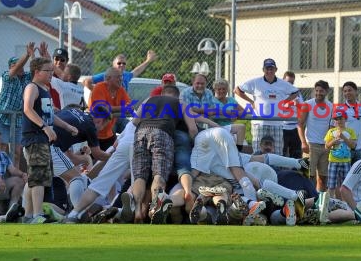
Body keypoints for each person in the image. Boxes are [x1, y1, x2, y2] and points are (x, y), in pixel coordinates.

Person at [21, 57, 78, 224]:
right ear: (37, 72)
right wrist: (44, 127)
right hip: (35, 138)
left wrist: (67, 127)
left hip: (43, 141)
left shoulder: (45, 90)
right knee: (38, 177)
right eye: (48, 71)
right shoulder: (32, 87)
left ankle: (29, 215)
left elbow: (51, 116)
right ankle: (37, 214)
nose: (51, 74)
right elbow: (27, 108)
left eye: (52, 71)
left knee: (40, 177)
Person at [131, 85, 198, 224]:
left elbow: (135, 121)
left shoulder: (149, 99)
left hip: (141, 132)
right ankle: (156, 207)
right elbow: (192, 129)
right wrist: (193, 143)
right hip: (162, 132)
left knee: (140, 175)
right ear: (177, 95)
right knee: (159, 173)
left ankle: (137, 209)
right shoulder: (180, 103)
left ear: (162, 93)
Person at [235, 58, 299, 155]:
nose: (269, 71)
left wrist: (284, 102)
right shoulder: (255, 82)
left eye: (271, 68)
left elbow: (295, 92)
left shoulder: (283, 84)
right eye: (267, 68)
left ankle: (276, 170)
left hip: (277, 123)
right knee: (258, 152)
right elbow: (237, 90)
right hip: (259, 123)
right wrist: (251, 102)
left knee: (277, 153)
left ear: (276, 70)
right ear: (263, 70)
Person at [0, 42, 34, 167]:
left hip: (18, 119)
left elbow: (35, 69)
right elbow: (16, 68)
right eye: (15, 65)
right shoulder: (7, 76)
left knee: (17, 152)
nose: (19, 67)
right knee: (1, 149)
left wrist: (33, 55)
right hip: (3, 118)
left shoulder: (27, 77)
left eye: (21, 65)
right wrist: (27, 55)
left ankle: (14, 177)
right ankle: (0, 177)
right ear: (10, 67)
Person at [297, 80, 333, 192]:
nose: (318, 93)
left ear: (326, 92)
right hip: (310, 145)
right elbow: (300, 124)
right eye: (316, 90)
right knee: (308, 176)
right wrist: (303, 142)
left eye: (321, 91)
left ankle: (318, 203)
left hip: (325, 146)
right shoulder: (308, 104)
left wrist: (330, 144)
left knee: (323, 178)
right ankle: (306, 201)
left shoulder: (331, 106)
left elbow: (331, 128)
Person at [88, 68, 131, 151]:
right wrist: (121, 109)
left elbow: (130, 108)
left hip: (109, 134)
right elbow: (103, 109)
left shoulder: (121, 90)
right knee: (93, 161)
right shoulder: (99, 87)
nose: (121, 79)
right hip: (95, 134)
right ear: (108, 79)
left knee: (111, 159)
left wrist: (111, 111)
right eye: (118, 77)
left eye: (121, 76)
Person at [82, 50, 158, 91]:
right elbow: (86, 81)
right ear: (113, 64)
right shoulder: (107, 75)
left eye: (124, 63)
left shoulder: (126, 75)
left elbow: (136, 71)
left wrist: (148, 61)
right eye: (119, 63)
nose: (121, 65)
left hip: (121, 110)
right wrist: (98, 92)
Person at [324, 111, 356, 199]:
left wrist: (343, 137)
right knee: (331, 185)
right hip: (333, 161)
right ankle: (330, 202)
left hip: (346, 161)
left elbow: (353, 146)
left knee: (345, 186)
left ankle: (345, 204)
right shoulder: (331, 131)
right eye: (336, 119)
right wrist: (334, 141)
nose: (339, 121)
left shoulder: (350, 131)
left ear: (345, 119)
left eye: (341, 118)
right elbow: (326, 146)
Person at [212, 78, 246, 150]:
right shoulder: (212, 100)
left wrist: (236, 114)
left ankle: (238, 150)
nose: (221, 91)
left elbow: (243, 111)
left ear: (227, 90)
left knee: (241, 129)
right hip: (216, 126)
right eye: (219, 89)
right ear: (215, 90)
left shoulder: (231, 100)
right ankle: (238, 151)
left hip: (229, 127)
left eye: (224, 89)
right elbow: (215, 111)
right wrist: (231, 113)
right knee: (241, 127)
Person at [342, 81, 361, 165]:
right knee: (346, 175)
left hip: (360, 148)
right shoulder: (340, 108)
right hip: (345, 148)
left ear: (356, 91)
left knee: (359, 174)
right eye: (345, 91)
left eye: (349, 90)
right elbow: (333, 127)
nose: (347, 93)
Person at [282, 71, 303, 158]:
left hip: (295, 126)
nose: (290, 85)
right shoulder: (279, 92)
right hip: (282, 126)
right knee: (282, 152)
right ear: (283, 81)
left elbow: (302, 107)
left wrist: (297, 104)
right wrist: (289, 104)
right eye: (288, 82)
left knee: (296, 153)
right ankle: (281, 170)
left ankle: (296, 171)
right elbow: (275, 107)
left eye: (292, 82)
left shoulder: (296, 92)